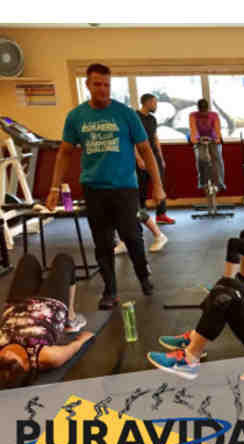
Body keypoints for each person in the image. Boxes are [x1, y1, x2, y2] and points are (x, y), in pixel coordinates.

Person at [46, 63, 167, 309]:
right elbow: (64, 153)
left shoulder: (125, 114)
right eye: (97, 84)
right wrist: (54, 189)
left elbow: (146, 149)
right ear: (88, 85)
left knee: (131, 236)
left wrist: (158, 185)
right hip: (94, 188)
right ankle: (110, 290)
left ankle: (144, 277)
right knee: (102, 243)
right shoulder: (76, 116)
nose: (102, 89)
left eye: (106, 85)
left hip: (125, 187)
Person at [0, 254, 95, 391]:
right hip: (51, 305)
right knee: (63, 260)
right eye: (12, 361)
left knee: (28, 260)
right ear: (24, 369)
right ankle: (70, 318)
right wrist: (83, 340)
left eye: (2, 360)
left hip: (16, 305)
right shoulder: (45, 356)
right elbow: (73, 347)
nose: (6, 354)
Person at [135, 93, 175, 225]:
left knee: (160, 184)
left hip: (154, 156)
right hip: (141, 155)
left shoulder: (152, 119)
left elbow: (155, 138)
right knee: (141, 186)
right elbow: (131, 139)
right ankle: (141, 214)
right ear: (147, 103)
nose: (156, 105)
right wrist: (138, 158)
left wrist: (161, 158)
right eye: (154, 103)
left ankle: (161, 214)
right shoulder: (135, 117)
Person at [189, 98, 226, 192]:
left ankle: (219, 183)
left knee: (217, 157)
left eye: (205, 110)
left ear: (208, 108)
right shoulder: (193, 115)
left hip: (213, 137)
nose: (203, 113)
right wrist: (195, 139)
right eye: (201, 111)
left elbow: (217, 129)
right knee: (201, 158)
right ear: (198, 109)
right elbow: (193, 129)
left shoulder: (214, 115)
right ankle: (202, 183)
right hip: (199, 138)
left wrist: (217, 138)